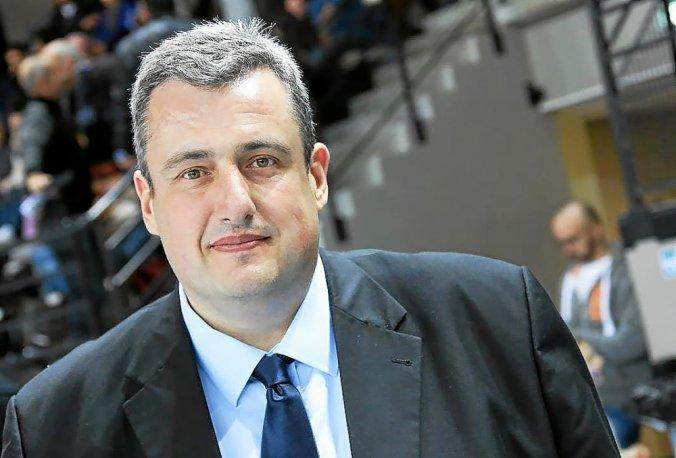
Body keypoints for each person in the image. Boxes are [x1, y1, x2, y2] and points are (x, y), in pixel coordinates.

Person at [3, 21, 618, 457]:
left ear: (316, 177)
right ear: (148, 203)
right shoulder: (55, 427)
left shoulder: (498, 321)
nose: (235, 203)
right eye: (193, 173)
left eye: (262, 161)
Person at [551, 201, 653, 450]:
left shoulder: (630, 266)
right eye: (562, 243)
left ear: (595, 229)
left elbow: (633, 341)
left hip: (636, 389)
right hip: (592, 397)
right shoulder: (569, 280)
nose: (568, 249)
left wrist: (578, 337)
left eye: (574, 239)